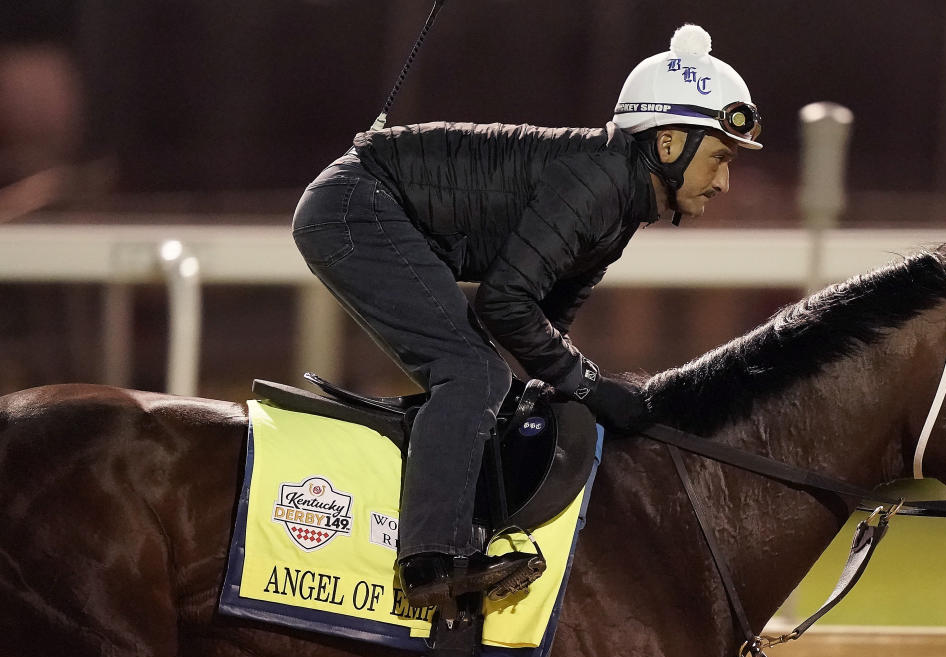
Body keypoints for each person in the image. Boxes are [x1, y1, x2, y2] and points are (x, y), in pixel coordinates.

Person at [291, 23, 761, 609]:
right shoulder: (598, 184)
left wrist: (559, 383)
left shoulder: (622, 202)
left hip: (364, 200)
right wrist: (590, 385)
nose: (723, 181)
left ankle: (457, 530)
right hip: (355, 205)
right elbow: (504, 303)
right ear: (668, 144)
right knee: (472, 375)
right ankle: (430, 562)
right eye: (719, 158)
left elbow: (543, 314)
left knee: (495, 383)